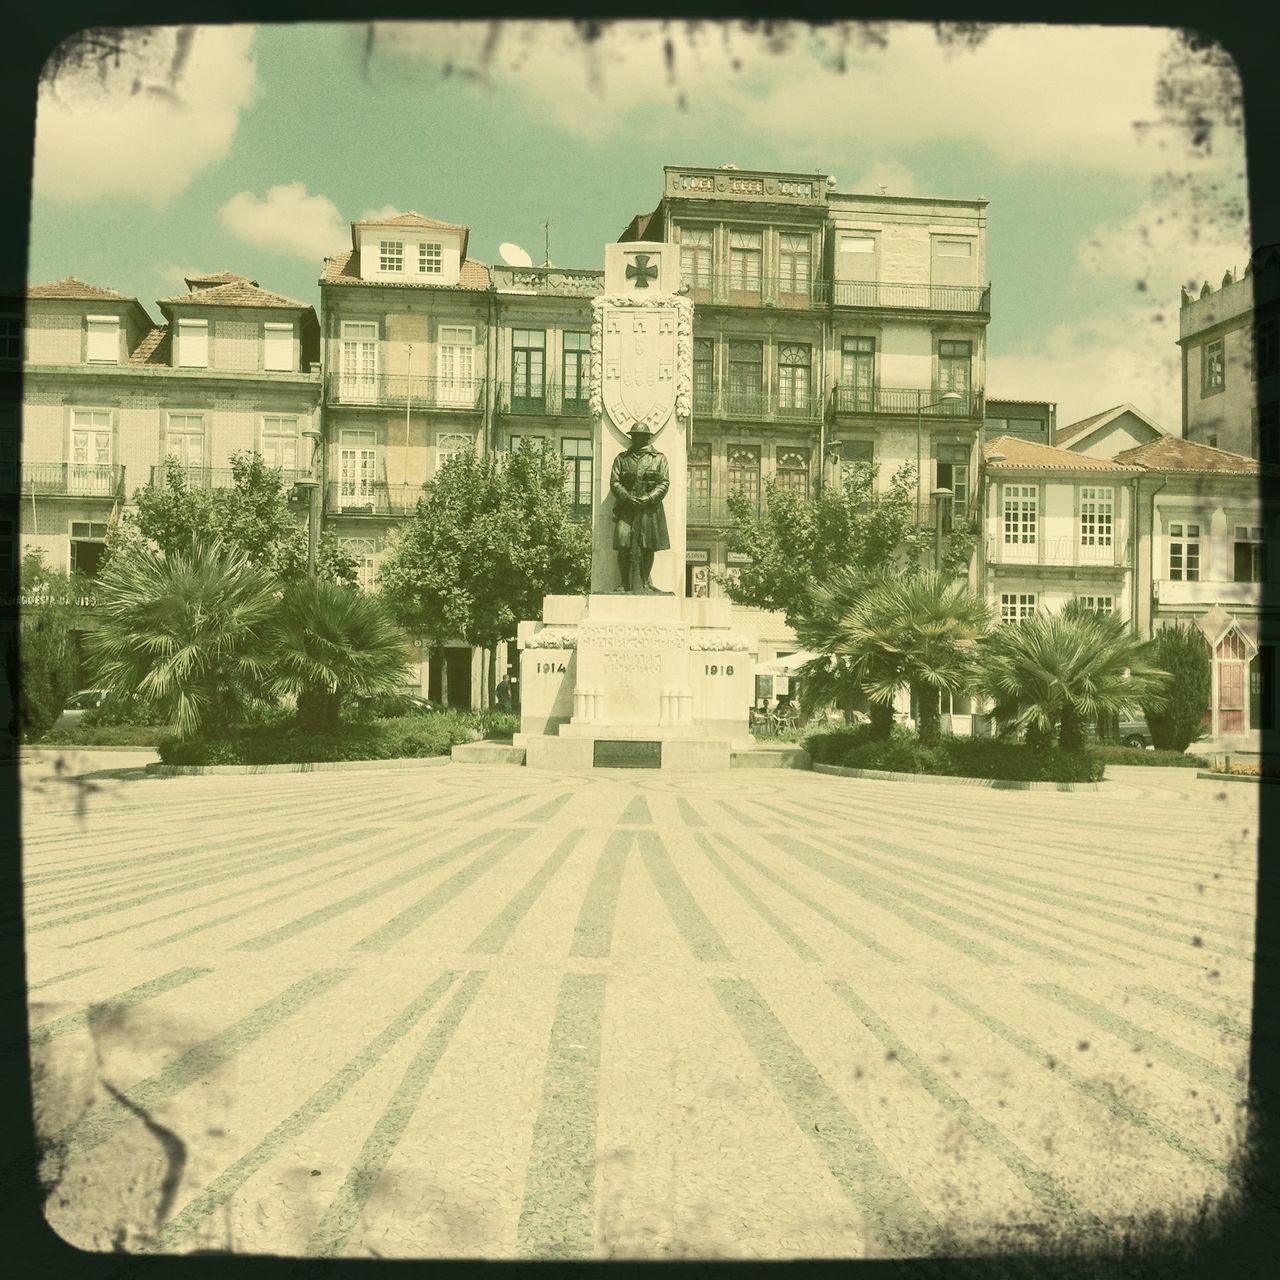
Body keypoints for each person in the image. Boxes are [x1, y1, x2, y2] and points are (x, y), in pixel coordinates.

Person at [610, 425, 671, 593]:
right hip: (626, 508)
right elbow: (614, 482)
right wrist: (627, 498)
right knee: (622, 542)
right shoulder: (622, 459)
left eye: (641, 436)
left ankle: (644, 582)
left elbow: (664, 483)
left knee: (648, 545)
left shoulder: (659, 459)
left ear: (648, 437)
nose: (638, 439)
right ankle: (624, 583)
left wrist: (648, 498)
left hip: (649, 509)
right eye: (635, 436)